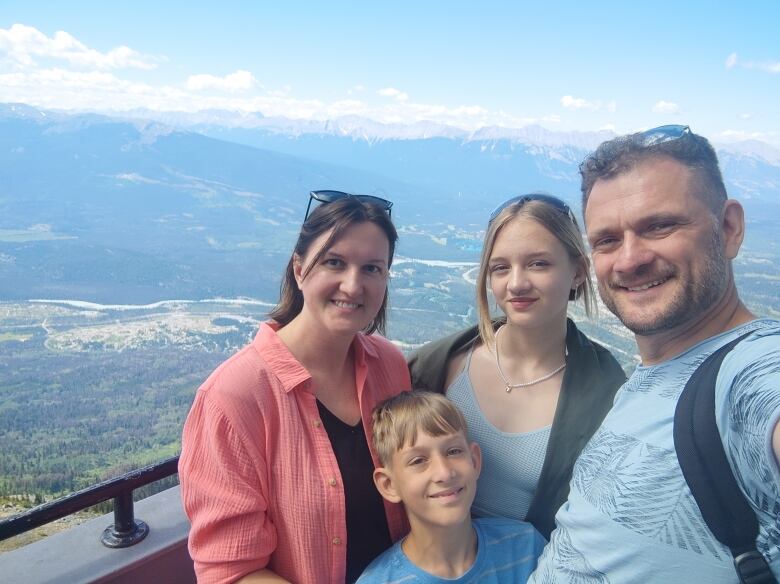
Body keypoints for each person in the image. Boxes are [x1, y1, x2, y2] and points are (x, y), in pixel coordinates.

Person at [530, 125, 780, 583]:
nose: (628, 260)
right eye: (606, 240)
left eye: (659, 225)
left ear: (729, 228)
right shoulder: (649, 376)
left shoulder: (751, 369)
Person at [179, 191, 412, 584]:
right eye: (334, 262)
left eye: (372, 269)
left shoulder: (389, 367)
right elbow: (231, 573)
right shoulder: (232, 398)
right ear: (300, 269)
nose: (353, 286)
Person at [408, 193, 626, 538]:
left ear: (578, 272)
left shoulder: (608, 396)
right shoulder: (438, 365)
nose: (516, 283)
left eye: (539, 264)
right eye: (500, 268)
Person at [358, 391, 546, 583]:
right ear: (389, 485)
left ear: (474, 461)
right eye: (418, 461)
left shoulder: (527, 547)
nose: (444, 473)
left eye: (453, 451)